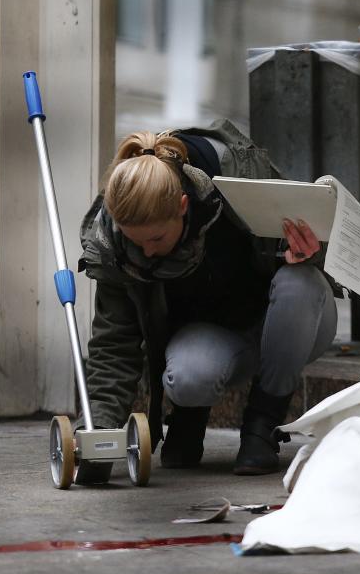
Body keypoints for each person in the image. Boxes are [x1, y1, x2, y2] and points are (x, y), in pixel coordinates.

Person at [77, 119, 338, 479]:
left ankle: (262, 425)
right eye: (135, 241)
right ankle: (189, 415)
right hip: (211, 339)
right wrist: (96, 432)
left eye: (155, 239)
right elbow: (113, 344)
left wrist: (306, 252)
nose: (146, 253)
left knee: (301, 281)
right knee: (188, 374)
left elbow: (325, 245)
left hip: (288, 322)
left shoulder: (236, 174)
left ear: (183, 206)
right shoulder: (117, 249)